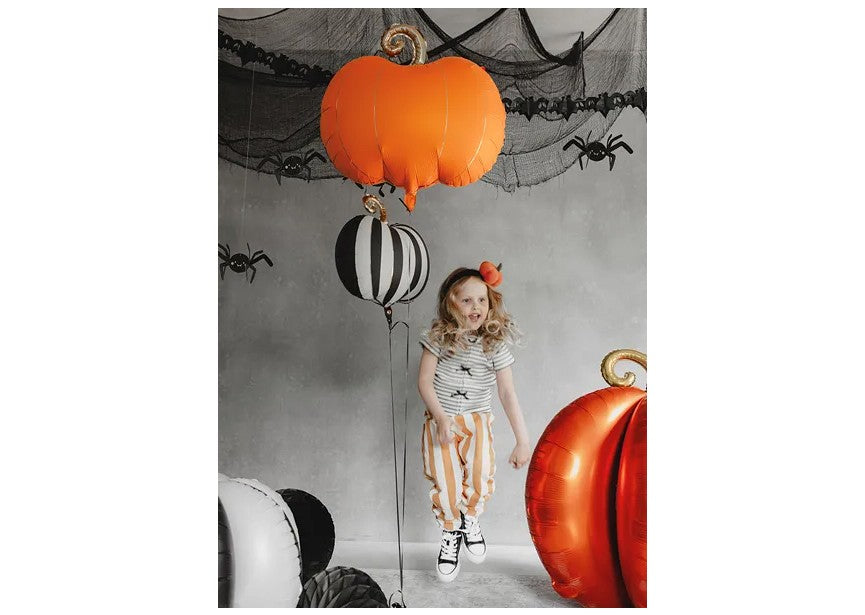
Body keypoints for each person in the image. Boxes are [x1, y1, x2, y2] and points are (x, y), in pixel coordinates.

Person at [417, 262, 530, 583]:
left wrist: (522, 440)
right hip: (441, 420)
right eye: (466, 300)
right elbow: (424, 381)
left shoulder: (494, 343)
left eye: (481, 300)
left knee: (481, 473)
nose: (475, 307)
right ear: (450, 303)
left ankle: (470, 518)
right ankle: (451, 531)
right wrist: (441, 417)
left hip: (476, 420)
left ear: (490, 303)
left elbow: (507, 392)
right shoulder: (437, 338)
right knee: (446, 481)